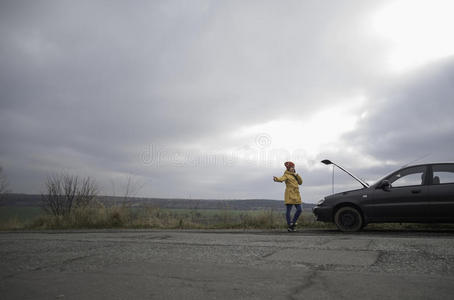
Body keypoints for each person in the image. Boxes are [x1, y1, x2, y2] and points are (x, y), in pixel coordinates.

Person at [273, 161, 303, 232]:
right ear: (288, 168)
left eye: (293, 167)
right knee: (288, 211)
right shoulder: (286, 175)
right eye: (291, 167)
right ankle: (290, 226)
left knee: (300, 209)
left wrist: (297, 175)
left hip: (296, 194)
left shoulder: (295, 175)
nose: (292, 168)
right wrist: (276, 179)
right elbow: (281, 179)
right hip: (289, 194)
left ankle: (292, 222)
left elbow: (300, 182)